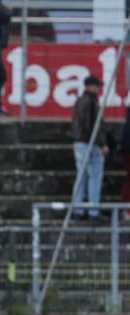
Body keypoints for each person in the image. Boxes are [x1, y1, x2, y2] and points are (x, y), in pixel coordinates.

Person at [71, 75, 108, 219]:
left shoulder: (80, 101)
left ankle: (78, 209)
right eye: (96, 86)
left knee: (81, 177)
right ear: (90, 86)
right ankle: (93, 210)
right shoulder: (91, 102)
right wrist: (102, 143)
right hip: (89, 143)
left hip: (79, 142)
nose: (98, 89)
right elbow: (93, 125)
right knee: (95, 177)